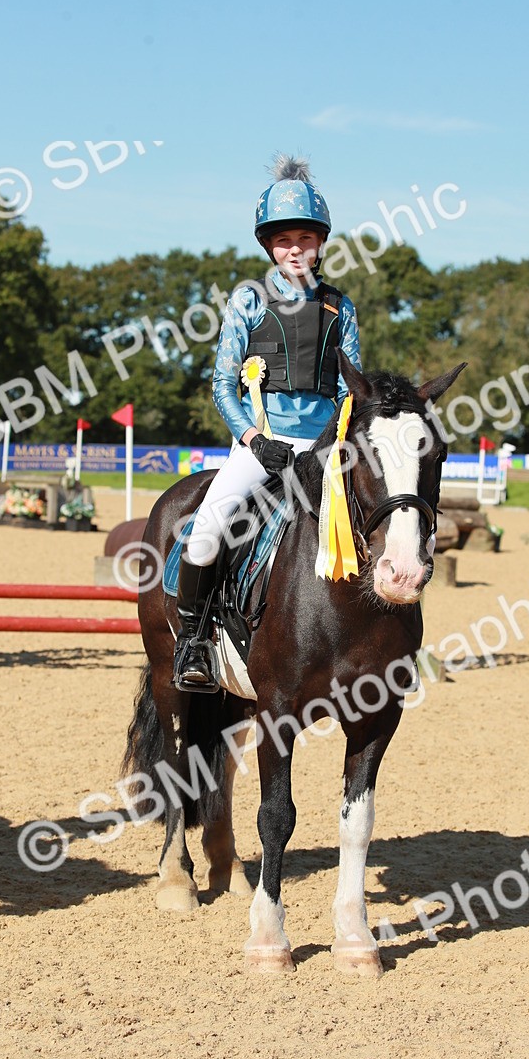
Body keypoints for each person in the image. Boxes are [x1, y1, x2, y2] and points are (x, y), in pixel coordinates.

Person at [173, 154, 362, 691]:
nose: (295, 249)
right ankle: (193, 643)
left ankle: (384, 640)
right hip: (262, 443)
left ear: (321, 242)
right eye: (283, 240)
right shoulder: (248, 301)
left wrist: (341, 441)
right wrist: (255, 440)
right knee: (207, 527)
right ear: (268, 246)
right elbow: (222, 385)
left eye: (305, 238)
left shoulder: (339, 308)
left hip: (325, 448)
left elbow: (351, 386)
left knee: (379, 519)